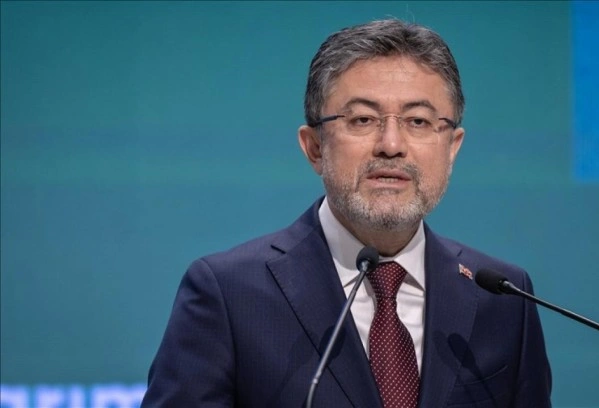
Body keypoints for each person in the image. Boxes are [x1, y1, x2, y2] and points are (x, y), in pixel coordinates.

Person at [142, 19, 551, 408]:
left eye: (418, 121)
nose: (391, 145)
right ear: (314, 147)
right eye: (362, 119)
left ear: (452, 148)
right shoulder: (229, 294)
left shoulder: (503, 298)